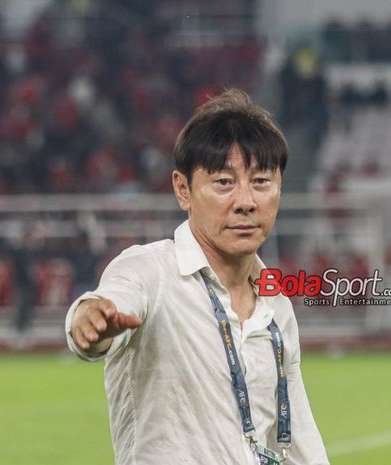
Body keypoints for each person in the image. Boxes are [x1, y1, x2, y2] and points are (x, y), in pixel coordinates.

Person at [65, 89, 330, 465]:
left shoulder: (276, 305)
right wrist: (90, 320)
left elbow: (299, 439)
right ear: (183, 189)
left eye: (261, 182)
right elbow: (112, 303)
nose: (245, 201)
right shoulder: (150, 272)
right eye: (224, 182)